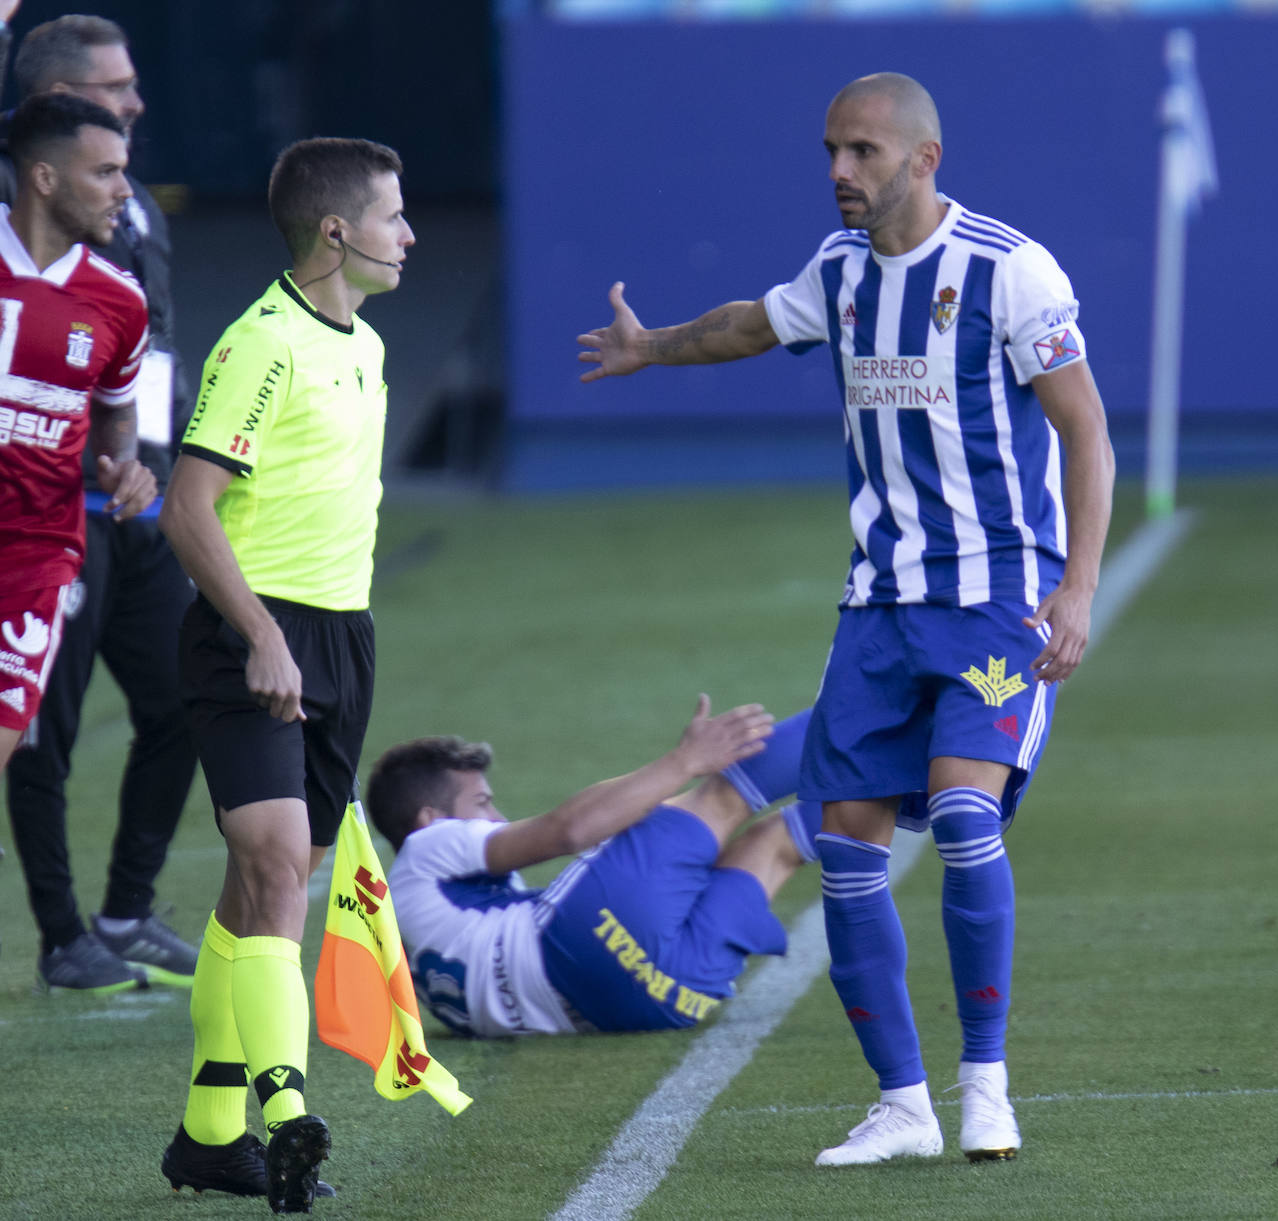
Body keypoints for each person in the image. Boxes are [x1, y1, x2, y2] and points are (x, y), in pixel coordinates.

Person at [577, 72, 1115, 1166]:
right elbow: (751, 325)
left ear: (924, 159)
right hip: (878, 611)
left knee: (966, 825)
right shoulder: (840, 272)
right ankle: (904, 1105)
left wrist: (1080, 586)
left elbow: (1085, 432)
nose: (838, 171)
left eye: (864, 151)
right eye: (831, 149)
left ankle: (988, 1087)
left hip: (997, 605)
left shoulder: (1010, 270)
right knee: (844, 852)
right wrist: (654, 346)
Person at [156, 137, 414, 1213]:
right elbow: (187, 506)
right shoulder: (262, 344)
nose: (411, 234)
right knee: (270, 868)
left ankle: (210, 1134)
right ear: (337, 231)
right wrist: (260, 632)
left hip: (341, 641)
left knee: (266, 885)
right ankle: (287, 1106)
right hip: (249, 636)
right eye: (394, 216)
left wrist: (316, 645)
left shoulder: (368, 344)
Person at [1, 13, 202, 995]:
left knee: (188, 694)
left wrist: (156, 461)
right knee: (41, 721)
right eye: (115, 86)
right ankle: (58, 933)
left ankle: (125, 911)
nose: (136, 99)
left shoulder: (129, 209)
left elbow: (138, 360)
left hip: (134, 496)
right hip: (49, 510)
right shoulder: (25, 196)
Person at [369, 703, 821, 1038]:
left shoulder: (418, 943)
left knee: (777, 843)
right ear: (429, 818)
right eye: (482, 803)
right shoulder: (425, 847)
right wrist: (684, 760)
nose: (499, 817)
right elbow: (569, 830)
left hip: (657, 1002)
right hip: (578, 942)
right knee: (723, 796)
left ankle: (890, 789)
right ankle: (871, 707)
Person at [0, 92, 154, 775]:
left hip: (34, 559)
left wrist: (124, 461)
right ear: (44, 178)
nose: (124, 190)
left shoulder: (121, 300)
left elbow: (117, 410)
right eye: (105, 173)